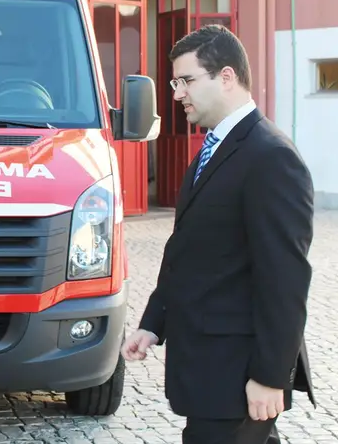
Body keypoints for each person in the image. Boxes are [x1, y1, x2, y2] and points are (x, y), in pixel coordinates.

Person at [122, 24, 316, 444]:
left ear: (226, 77)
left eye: (186, 80)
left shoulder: (271, 158)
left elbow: (285, 280)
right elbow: (188, 250)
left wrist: (269, 377)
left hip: (237, 374)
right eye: (175, 82)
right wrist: (154, 323)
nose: (177, 94)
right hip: (209, 372)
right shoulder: (214, 148)